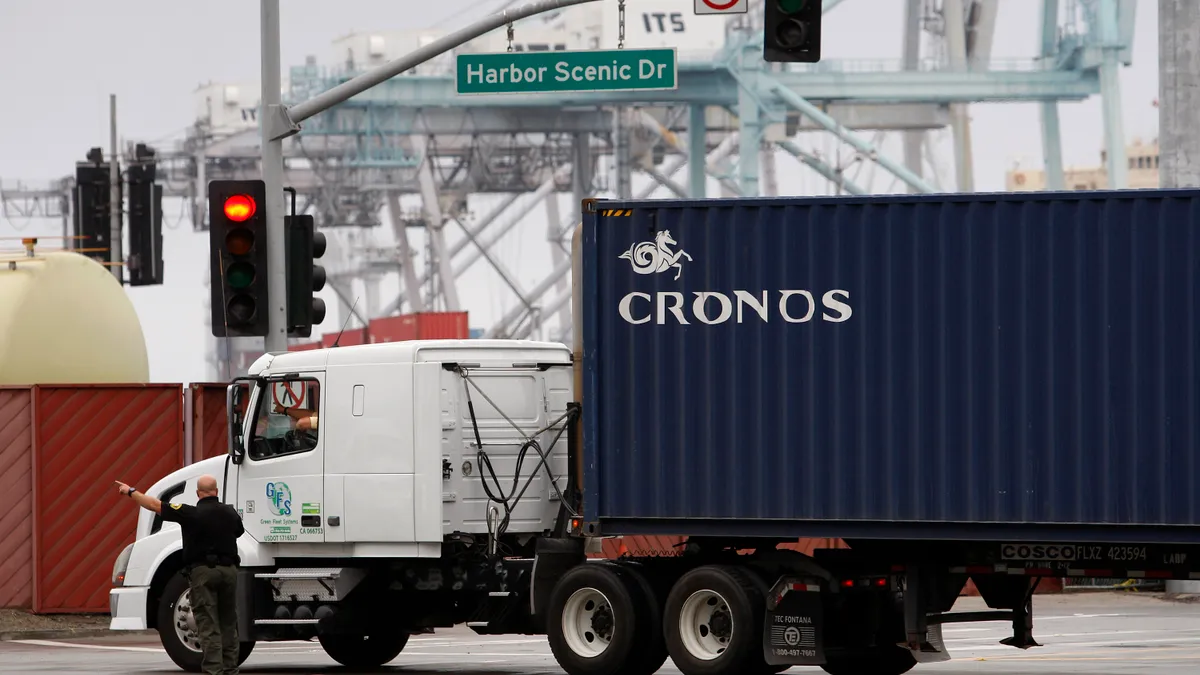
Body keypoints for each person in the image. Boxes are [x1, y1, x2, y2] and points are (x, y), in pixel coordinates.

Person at [114, 475, 244, 675]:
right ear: (216, 492)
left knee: (207, 624)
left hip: (203, 573)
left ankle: (214, 671)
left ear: (198, 494)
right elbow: (238, 531)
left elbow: (154, 505)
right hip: (229, 572)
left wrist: (131, 492)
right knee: (228, 622)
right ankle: (230, 669)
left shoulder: (190, 513)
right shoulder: (230, 512)